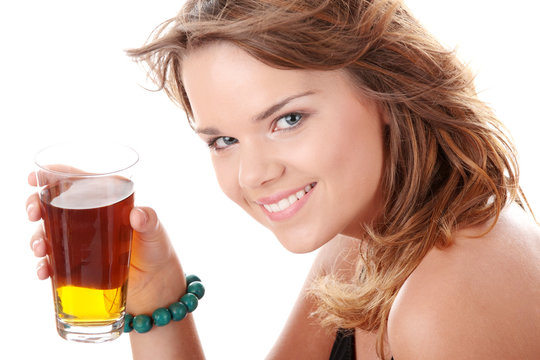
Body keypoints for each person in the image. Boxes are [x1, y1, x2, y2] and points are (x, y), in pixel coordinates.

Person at [26, 0, 540, 359]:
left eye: (288, 120)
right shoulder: (359, 249)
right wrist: (159, 297)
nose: (254, 174)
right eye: (223, 141)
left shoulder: (449, 298)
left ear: (387, 88)